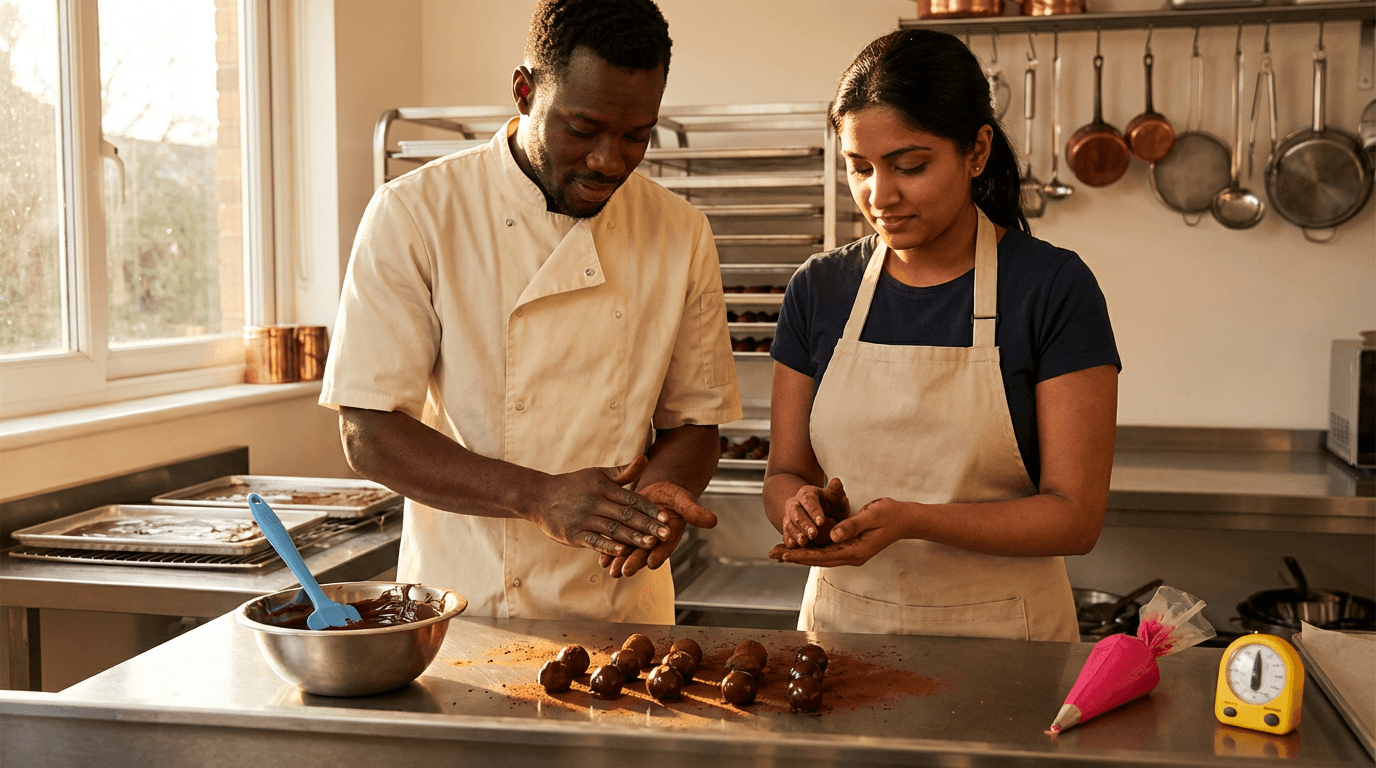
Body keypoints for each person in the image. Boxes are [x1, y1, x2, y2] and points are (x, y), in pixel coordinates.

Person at [320, 0, 741, 625]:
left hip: (622, 609)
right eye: (583, 127)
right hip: (466, 605)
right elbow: (369, 433)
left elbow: (696, 422)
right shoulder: (418, 213)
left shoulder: (679, 231)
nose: (609, 160)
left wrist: (657, 503)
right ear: (524, 91)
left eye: (636, 136)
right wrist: (538, 497)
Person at [763, 29, 1120, 641]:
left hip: (1008, 641)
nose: (880, 196)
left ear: (977, 151)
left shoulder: (1052, 287)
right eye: (859, 168)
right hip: (844, 633)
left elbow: (1074, 518)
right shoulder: (819, 289)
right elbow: (784, 472)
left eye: (910, 166)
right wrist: (797, 510)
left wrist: (913, 521)